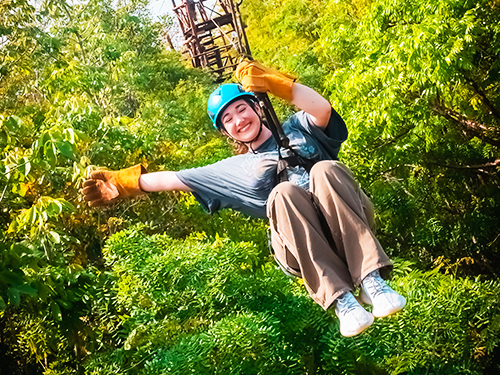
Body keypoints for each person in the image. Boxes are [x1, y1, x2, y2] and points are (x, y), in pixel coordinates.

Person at [82, 61, 406, 337]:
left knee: (325, 169)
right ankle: (341, 301)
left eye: (242, 109)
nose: (239, 120)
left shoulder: (297, 130)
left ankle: (371, 281)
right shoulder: (234, 169)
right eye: (229, 119)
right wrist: (123, 183)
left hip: (346, 217)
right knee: (283, 192)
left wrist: (277, 85)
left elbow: (321, 109)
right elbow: (173, 179)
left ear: (257, 108)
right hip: (298, 243)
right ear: (226, 132)